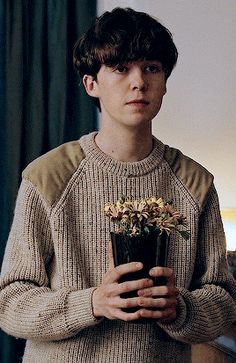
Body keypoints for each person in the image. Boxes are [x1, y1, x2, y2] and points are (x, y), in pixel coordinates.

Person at [0, 7, 236, 363]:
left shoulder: (195, 182)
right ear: (91, 83)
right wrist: (92, 302)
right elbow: (10, 303)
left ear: (165, 82)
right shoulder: (48, 176)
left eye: (151, 68)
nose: (138, 81)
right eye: (121, 68)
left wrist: (180, 308)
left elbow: (223, 298)